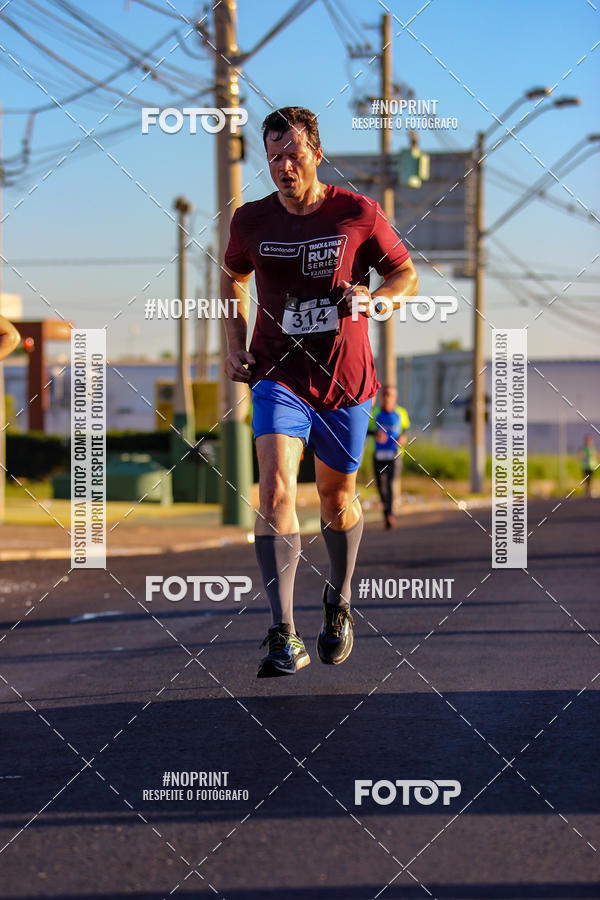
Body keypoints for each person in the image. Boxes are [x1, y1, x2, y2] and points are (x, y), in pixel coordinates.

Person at [222, 106, 418, 678]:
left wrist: (378, 301)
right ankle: (283, 632)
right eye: (274, 157)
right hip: (278, 375)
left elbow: (404, 275)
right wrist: (236, 343)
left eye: (294, 155)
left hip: (345, 379)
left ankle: (338, 601)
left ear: (317, 154)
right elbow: (233, 275)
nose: (284, 166)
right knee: (277, 489)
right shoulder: (250, 220)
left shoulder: (356, 212)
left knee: (335, 499)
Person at [370, 386, 410, 529]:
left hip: (395, 454)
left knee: (391, 483)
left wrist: (403, 437)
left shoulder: (401, 413)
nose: (387, 397)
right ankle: (386, 511)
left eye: (390, 395)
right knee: (380, 485)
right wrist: (375, 434)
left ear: (395, 397)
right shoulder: (375, 412)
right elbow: (366, 430)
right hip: (378, 454)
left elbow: (405, 429)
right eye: (385, 394)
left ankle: (389, 514)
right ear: (382, 397)